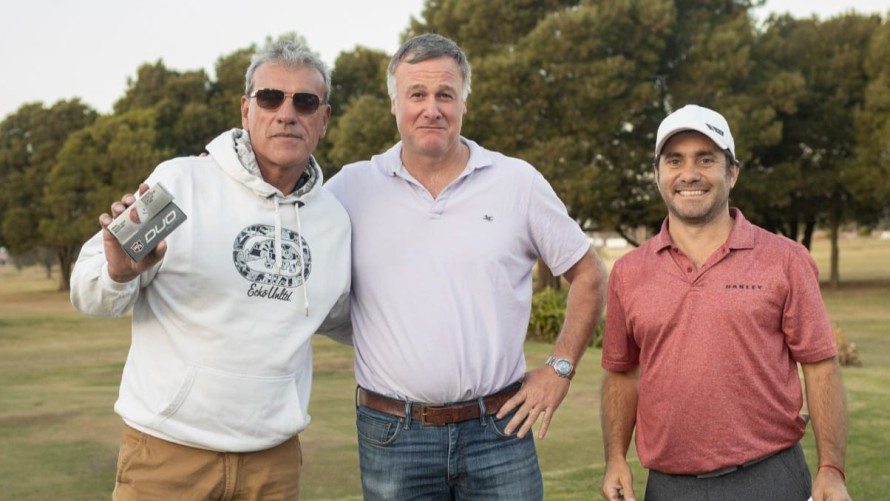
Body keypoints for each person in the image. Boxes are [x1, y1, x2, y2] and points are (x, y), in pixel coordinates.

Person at [325, 33, 608, 500]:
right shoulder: (350, 188)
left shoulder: (516, 182)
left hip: (499, 430)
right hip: (393, 435)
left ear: (463, 103)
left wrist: (559, 368)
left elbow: (589, 274)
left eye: (445, 94)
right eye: (416, 94)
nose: (431, 108)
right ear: (394, 104)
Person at [69, 39, 350, 500]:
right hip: (167, 455)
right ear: (246, 109)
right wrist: (120, 273)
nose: (286, 113)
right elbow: (88, 289)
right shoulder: (181, 183)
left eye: (305, 101)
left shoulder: (333, 220)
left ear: (323, 118)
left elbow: (346, 317)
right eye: (270, 98)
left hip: (272, 463)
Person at [600, 104, 850, 501]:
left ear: (732, 172)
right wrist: (615, 457)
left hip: (771, 478)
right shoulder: (629, 272)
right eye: (674, 160)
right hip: (667, 486)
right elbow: (621, 374)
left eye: (706, 159)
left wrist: (831, 469)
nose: (689, 174)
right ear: (657, 174)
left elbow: (819, 366)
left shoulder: (785, 259)